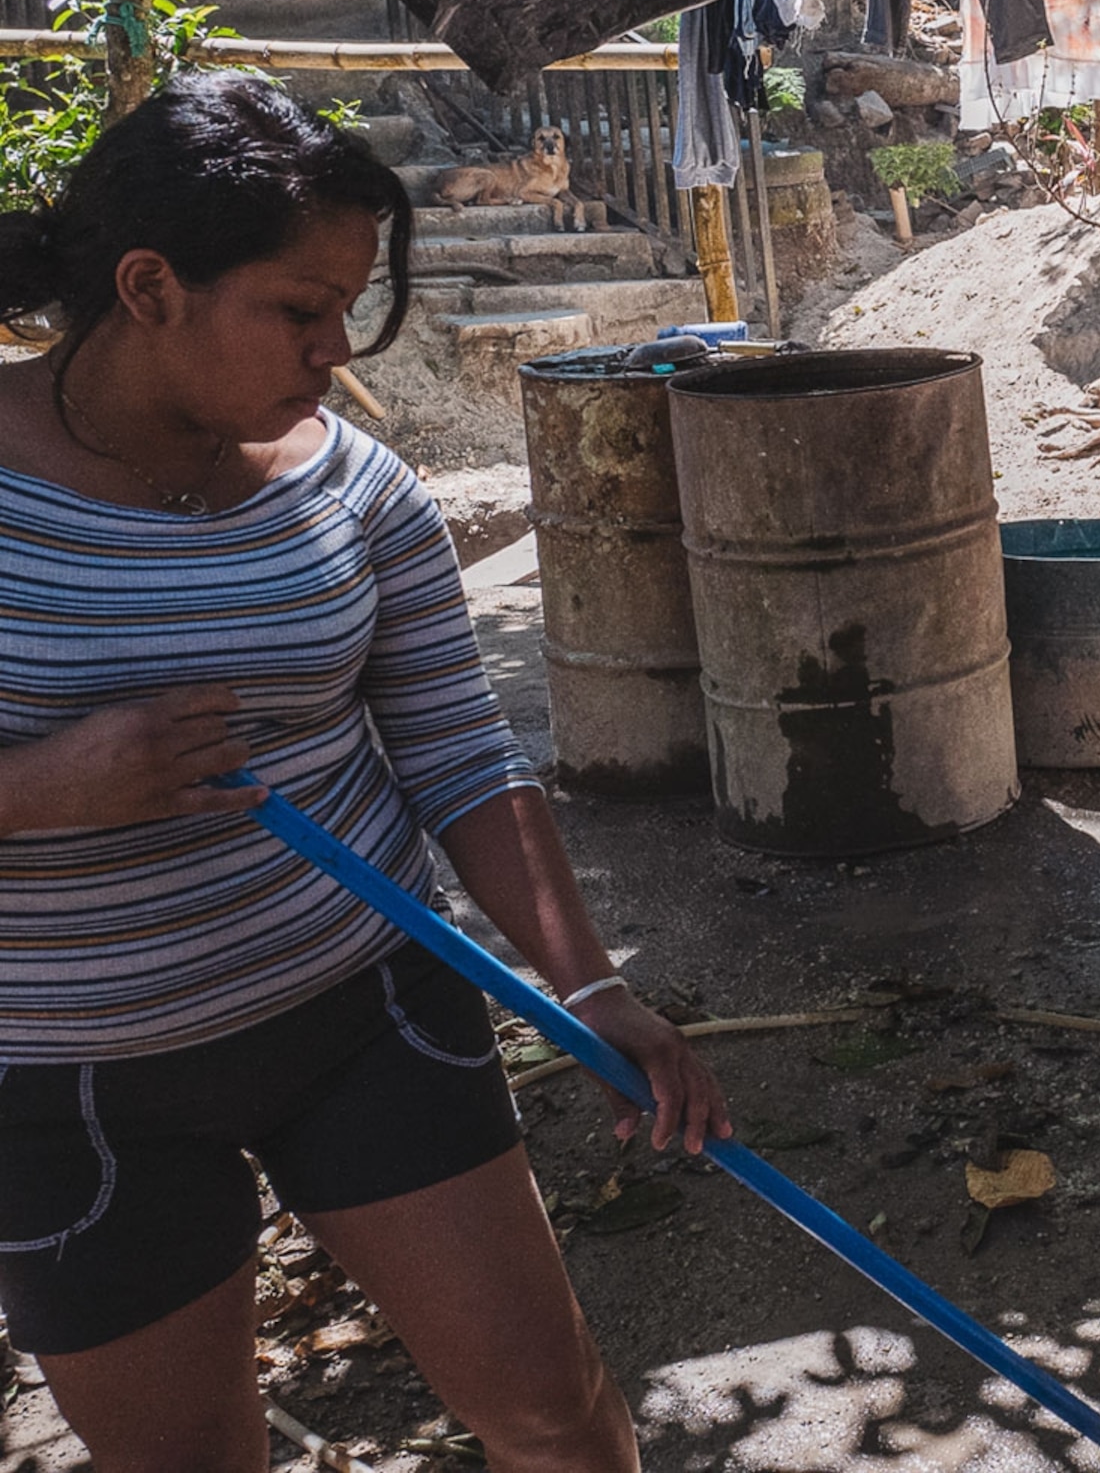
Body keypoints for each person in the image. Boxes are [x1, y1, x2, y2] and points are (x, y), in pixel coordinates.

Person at [0, 76, 729, 1472]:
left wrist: (592, 985)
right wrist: (42, 790)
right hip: (65, 1088)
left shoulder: (351, 487)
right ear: (149, 286)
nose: (335, 352)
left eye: (351, 308)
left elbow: (461, 753)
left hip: (361, 1012)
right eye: (298, 308)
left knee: (551, 1414)